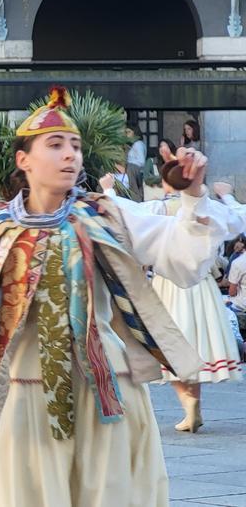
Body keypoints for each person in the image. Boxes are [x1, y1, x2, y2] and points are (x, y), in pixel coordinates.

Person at [0, 87, 232, 507]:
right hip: (22, 393)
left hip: (103, 389)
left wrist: (191, 196)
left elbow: (183, 257)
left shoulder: (106, 213)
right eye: (55, 145)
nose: (70, 155)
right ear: (23, 160)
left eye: (75, 146)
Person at [101, 170, 242, 433]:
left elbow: (119, 215)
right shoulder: (207, 206)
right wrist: (227, 196)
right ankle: (193, 403)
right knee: (195, 340)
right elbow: (238, 219)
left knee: (170, 343)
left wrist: (108, 190)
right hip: (202, 287)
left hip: (170, 285)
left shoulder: (160, 207)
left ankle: (188, 404)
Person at [126, 126, 146, 200]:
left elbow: (141, 161)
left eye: (129, 132)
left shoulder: (138, 144)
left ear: (135, 132)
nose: (126, 134)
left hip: (135, 171)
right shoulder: (134, 145)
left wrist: (128, 162)